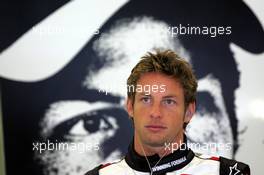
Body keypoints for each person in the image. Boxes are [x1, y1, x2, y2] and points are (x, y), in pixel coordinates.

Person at [84, 50, 250, 175]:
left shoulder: (228, 173)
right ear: (130, 107)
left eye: (168, 101)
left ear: (189, 112)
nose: (156, 113)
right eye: (146, 99)